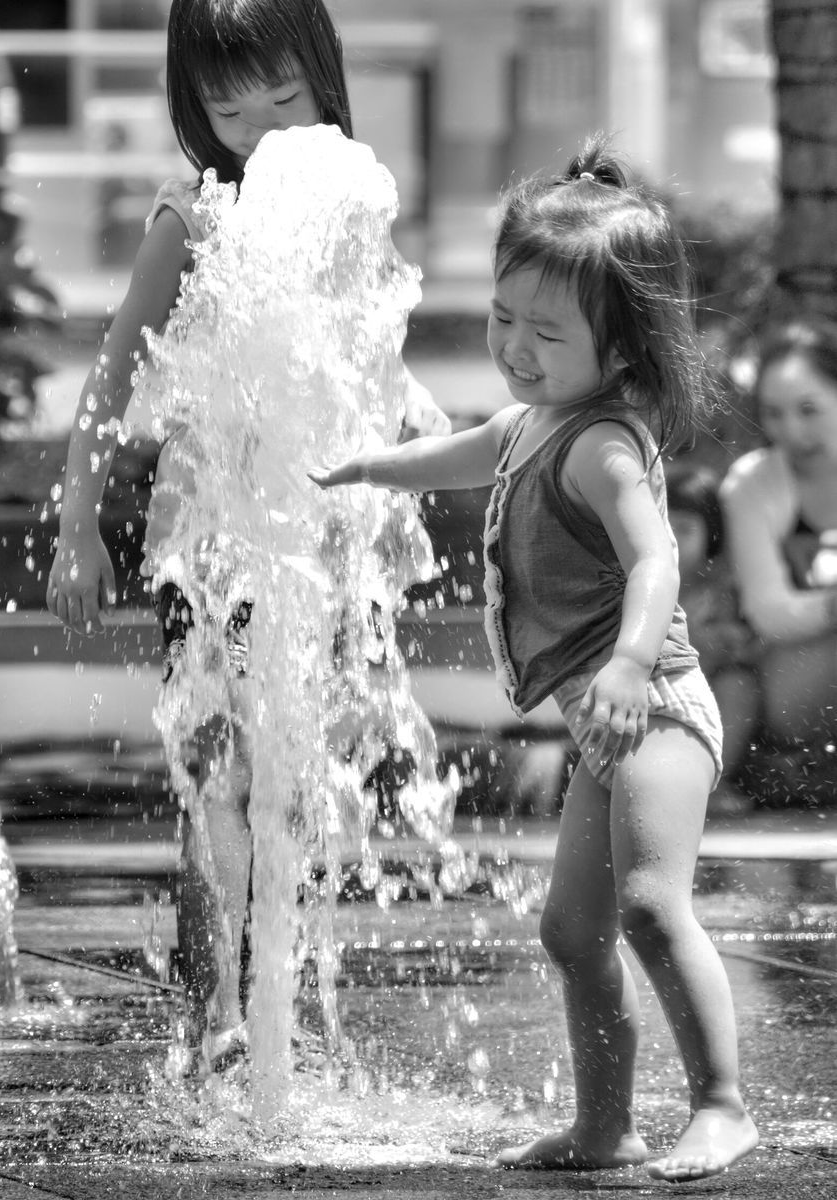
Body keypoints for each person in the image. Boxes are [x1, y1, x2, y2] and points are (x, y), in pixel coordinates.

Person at [311, 135, 758, 1181]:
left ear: (621, 352)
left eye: (544, 332)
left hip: (655, 711)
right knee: (570, 930)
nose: (513, 345)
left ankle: (721, 1103)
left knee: (649, 907)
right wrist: (374, 464)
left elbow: (653, 561)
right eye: (502, 316)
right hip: (607, 723)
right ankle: (605, 1128)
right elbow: (471, 447)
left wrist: (624, 666)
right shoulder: (537, 416)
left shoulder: (602, 443)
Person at [45, 0, 447, 1073]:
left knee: (292, 776)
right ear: (194, 111)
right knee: (216, 765)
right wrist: (78, 522)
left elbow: (370, 376)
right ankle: (218, 1007)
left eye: (289, 96)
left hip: (314, 542)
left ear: (325, 76)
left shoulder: (346, 200)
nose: (268, 131)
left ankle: (266, 1000)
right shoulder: (196, 214)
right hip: (210, 540)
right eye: (235, 114)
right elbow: (112, 373)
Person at [720, 319, 837, 802]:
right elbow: (769, 613)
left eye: (808, 410)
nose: (791, 430)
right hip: (784, 689)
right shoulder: (750, 484)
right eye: (774, 413)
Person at [665, 462, 761, 812]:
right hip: (657, 692)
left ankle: (710, 784)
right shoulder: (640, 584)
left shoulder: (720, 587)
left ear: (713, 534)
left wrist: (713, 642)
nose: (671, 540)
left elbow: (740, 645)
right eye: (663, 527)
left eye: (685, 529)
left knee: (740, 687)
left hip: (709, 691)